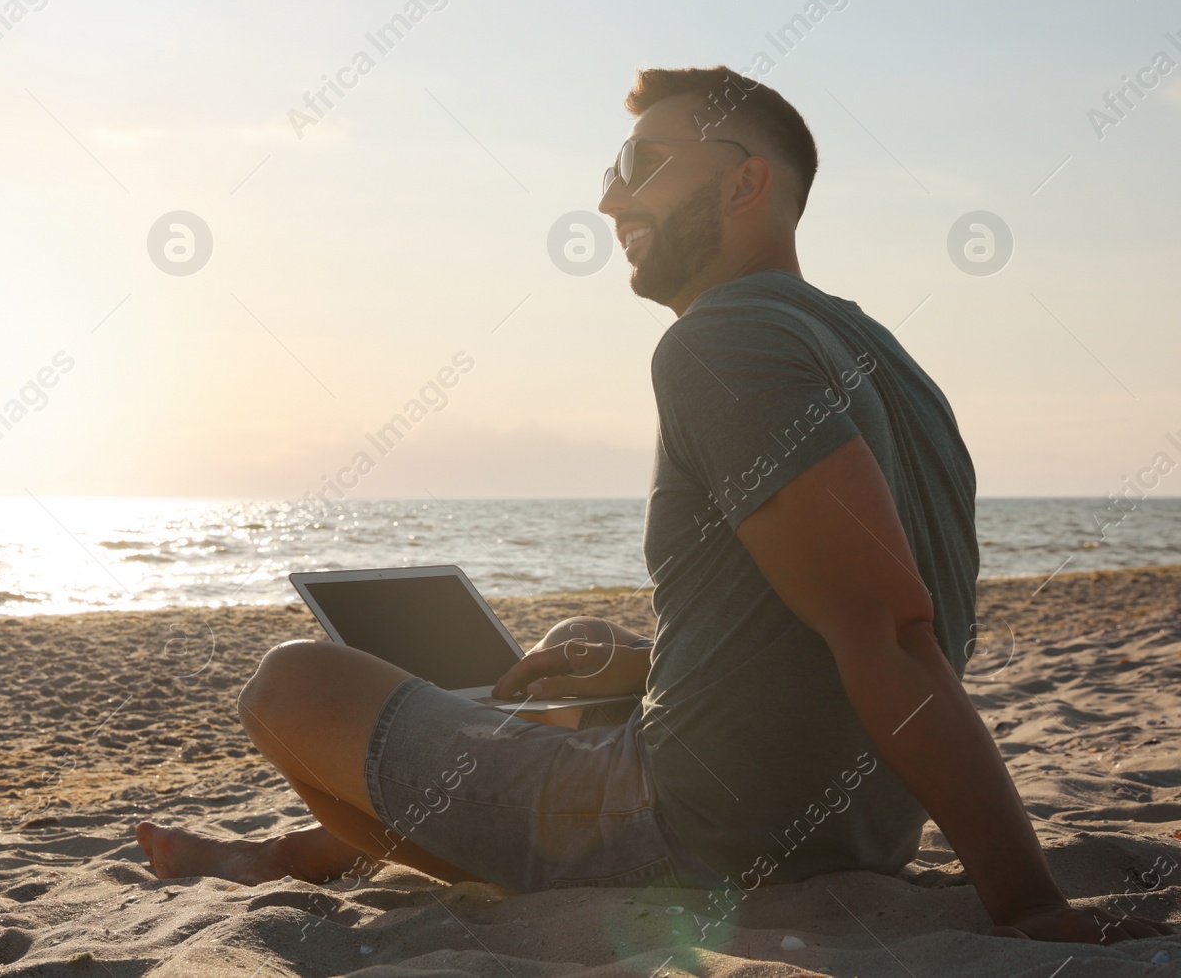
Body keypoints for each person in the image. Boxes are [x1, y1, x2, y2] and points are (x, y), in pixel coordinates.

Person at [135, 65, 1172, 944]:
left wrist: (1027, 903)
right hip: (860, 826)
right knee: (577, 656)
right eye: (607, 172)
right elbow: (867, 612)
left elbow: (891, 626)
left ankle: (322, 855)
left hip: (701, 833)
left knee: (288, 683)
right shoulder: (888, 363)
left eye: (639, 168)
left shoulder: (720, 339)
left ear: (742, 184)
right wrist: (646, 661)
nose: (608, 202)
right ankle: (280, 853)